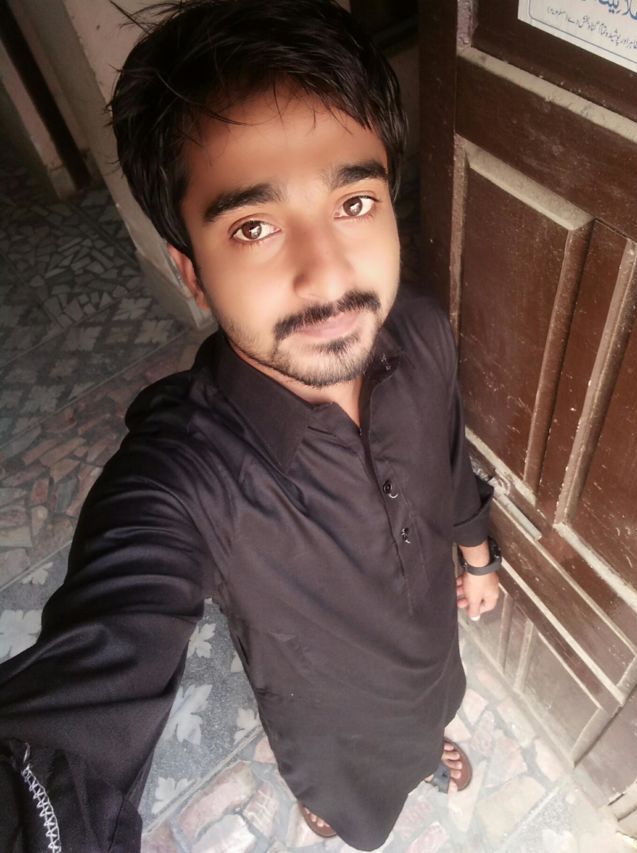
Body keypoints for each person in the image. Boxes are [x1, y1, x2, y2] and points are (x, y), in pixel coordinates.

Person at [0, 0, 500, 849]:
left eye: (354, 202)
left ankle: (426, 745)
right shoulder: (183, 478)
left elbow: (448, 459)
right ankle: (331, 805)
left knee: (430, 712)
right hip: (326, 725)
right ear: (192, 272)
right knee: (346, 793)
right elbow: (73, 711)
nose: (326, 276)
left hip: (431, 655)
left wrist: (478, 558)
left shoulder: (418, 327)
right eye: (255, 226)